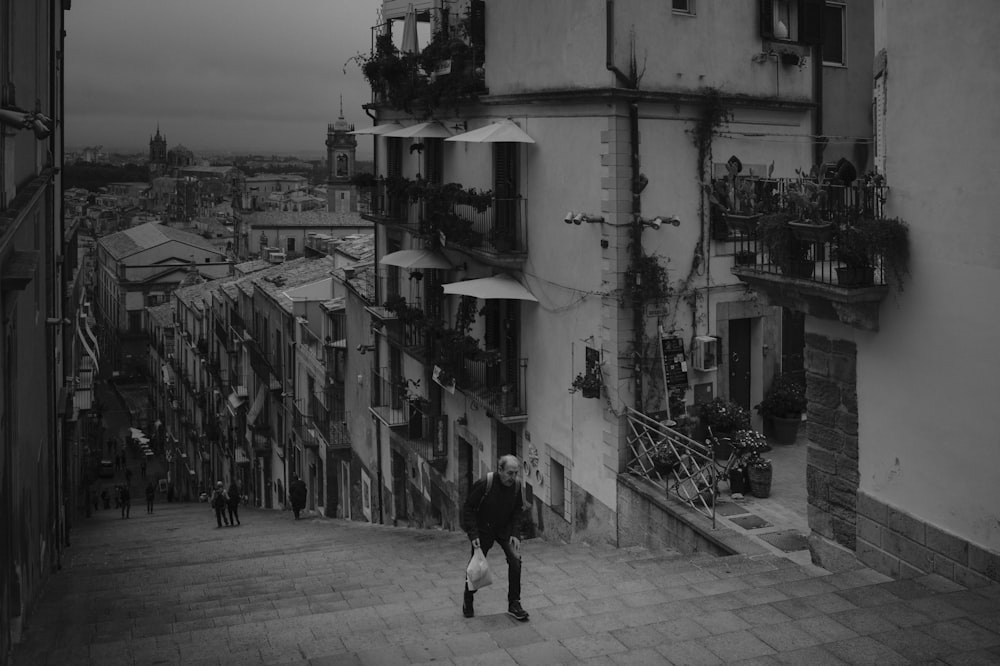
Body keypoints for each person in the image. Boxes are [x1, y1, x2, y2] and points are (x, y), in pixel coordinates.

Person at [461, 454, 529, 622]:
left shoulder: (516, 486)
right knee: (476, 568)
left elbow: (518, 511)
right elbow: (468, 508)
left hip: (505, 529)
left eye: (515, 473)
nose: (513, 477)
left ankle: (514, 603)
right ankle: (468, 600)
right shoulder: (486, 483)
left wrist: (515, 533)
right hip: (484, 529)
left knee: (515, 561)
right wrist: (473, 534)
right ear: (500, 470)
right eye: (509, 473)